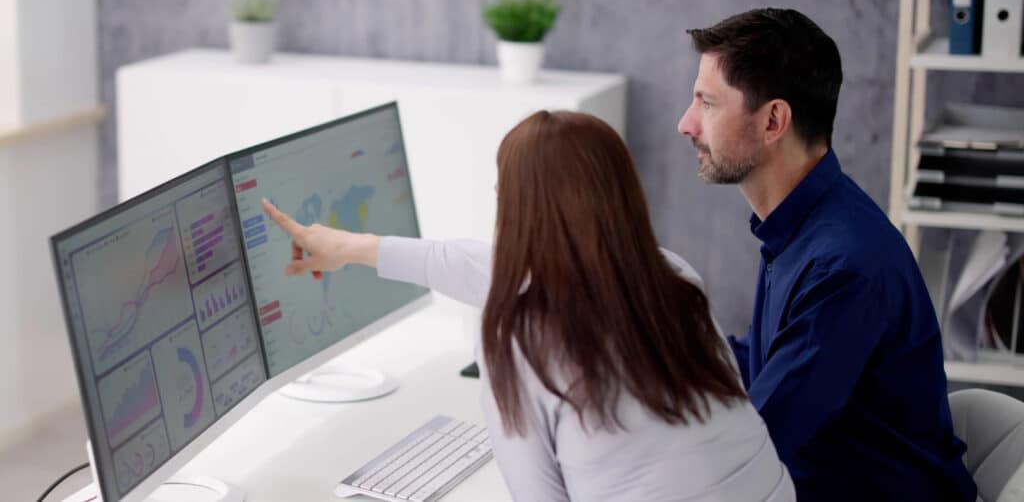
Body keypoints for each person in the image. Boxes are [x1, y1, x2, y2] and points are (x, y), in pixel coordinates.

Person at [262, 110, 795, 501]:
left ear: (521, 211)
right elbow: (480, 265)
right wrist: (353, 249)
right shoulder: (674, 277)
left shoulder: (515, 342)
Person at [676, 8, 976, 500]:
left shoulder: (843, 266)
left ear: (774, 119)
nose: (686, 124)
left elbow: (755, 448)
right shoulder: (798, 227)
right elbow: (760, 362)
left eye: (707, 103)